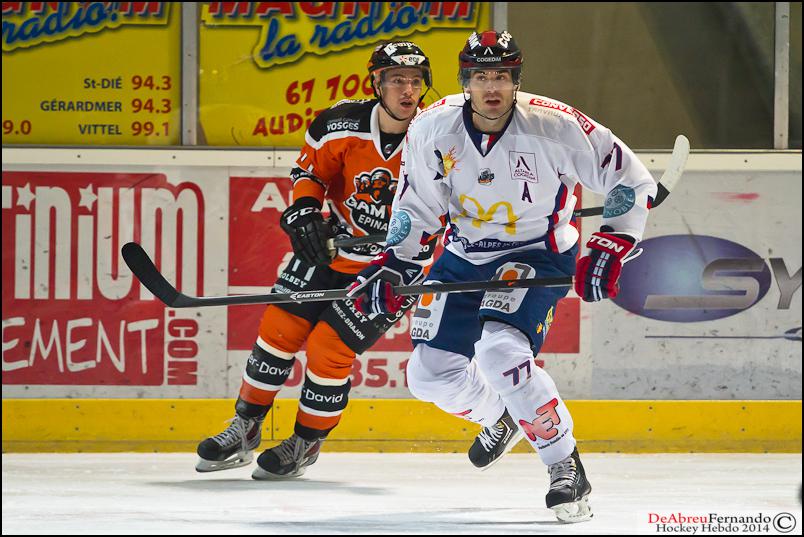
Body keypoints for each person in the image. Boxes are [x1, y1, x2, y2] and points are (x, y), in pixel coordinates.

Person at [348, 30, 657, 522]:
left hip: (536, 253)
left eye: (502, 76)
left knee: (500, 352)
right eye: (480, 76)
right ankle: (502, 415)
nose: (491, 87)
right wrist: (394, 265)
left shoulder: (555, 125)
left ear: (517, 80)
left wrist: (612, 244)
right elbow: (417, 206)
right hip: (463, 255)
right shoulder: (431, 127)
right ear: (464, 81)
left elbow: (631, 178)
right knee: (428, 375)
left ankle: (564, 465)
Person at [195, 41, 437, 479]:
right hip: (333, 249)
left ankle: (305, 442)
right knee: (278, 330)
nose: (407, 90)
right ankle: (246, 426)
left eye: (416, 81)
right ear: (376, 82)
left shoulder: (438, 135)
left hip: (393, 268)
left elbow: (455, 200)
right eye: (397, 80)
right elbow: (311, 174)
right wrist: (305, 211)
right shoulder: (339, 123)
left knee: (329, 348)